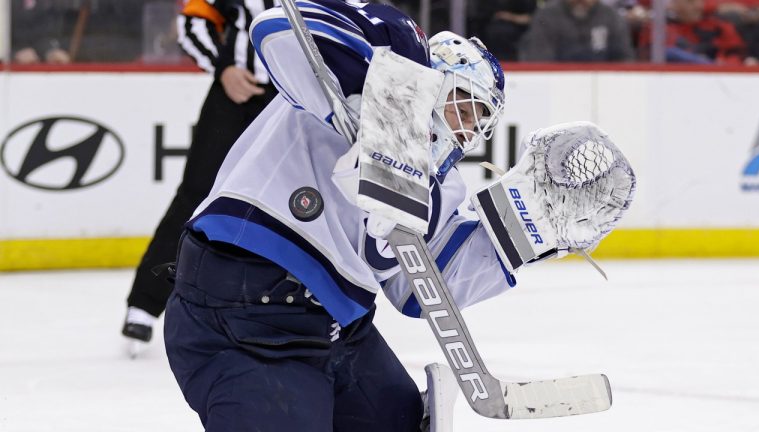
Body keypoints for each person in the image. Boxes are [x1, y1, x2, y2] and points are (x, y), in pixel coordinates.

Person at [162, 1, 513, 430]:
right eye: (463, 107)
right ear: (429, 82)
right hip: (242, 313)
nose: (464, 132)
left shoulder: (437, 185)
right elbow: (275, 29)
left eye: (478, 122)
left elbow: (417, 286)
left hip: (338, 329)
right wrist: (385, 85)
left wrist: (525, 234)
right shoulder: (329, 98)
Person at [121, 0, 278, 346]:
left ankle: (290, 313)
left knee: (297, 205)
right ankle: (145, 304)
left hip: (302, 103)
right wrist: (224, 69)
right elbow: (194, 22)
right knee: (197, 195)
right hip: (236, 97)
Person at [637, 0, 758, 64]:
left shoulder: (718, 27)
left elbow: (737, 56)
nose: (698, 6)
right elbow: (649, 60)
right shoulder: (658, 28)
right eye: (690, 1)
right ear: (672, 4)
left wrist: (721, 65)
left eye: (700, 0)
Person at [520, 0, 635, 62]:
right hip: (556, 87)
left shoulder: (611, 17)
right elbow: (539, 60)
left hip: (603, 87)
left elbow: (625, 59)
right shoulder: (547, 16)